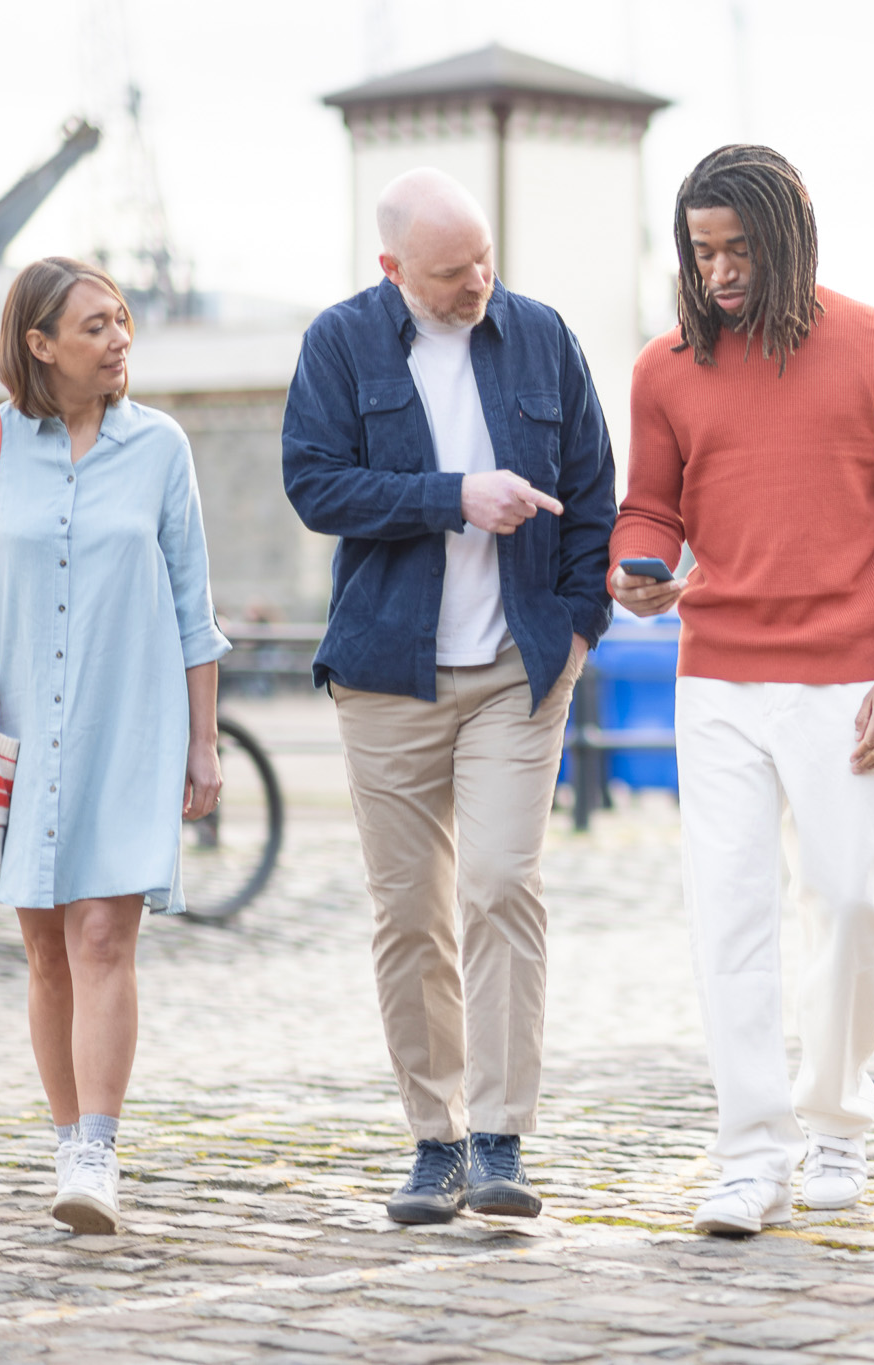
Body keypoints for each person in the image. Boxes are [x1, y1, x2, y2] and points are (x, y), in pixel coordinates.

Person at [608, 145, 874, 1234]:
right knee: (731, 919)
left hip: (850, 679)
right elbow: (649, 506)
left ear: (790, 232)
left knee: (850, 904)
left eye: (738, 249)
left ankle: (836, 1124)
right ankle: (748, 1153)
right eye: (701, 251)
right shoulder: (664, 368)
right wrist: (638, 565)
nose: (717, 272)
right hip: (716, 680)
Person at [282, 169, 616, 1224]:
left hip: (520, 666)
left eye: (482, 259)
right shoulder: (338, 345)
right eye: (450, 271)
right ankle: (434, 1141)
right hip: (388, 672)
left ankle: (501, 1134)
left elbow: (597, 491)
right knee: (409, 915)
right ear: (392, 270)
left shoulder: (543, 336)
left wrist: (574, 630)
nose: (478, 281)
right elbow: (313, 484)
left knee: (501, 886)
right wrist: (450, 497)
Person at [0, 257, 231, 1234]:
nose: (118, 338)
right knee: (44, 947)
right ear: (38, 345)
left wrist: (203, 744)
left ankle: (97, 1150)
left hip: (131, 722)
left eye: (122, 321)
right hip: (16, 734)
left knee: (101, 934)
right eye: (95, 326)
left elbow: (192, 606)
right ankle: (62, 1139)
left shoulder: (162, 447)